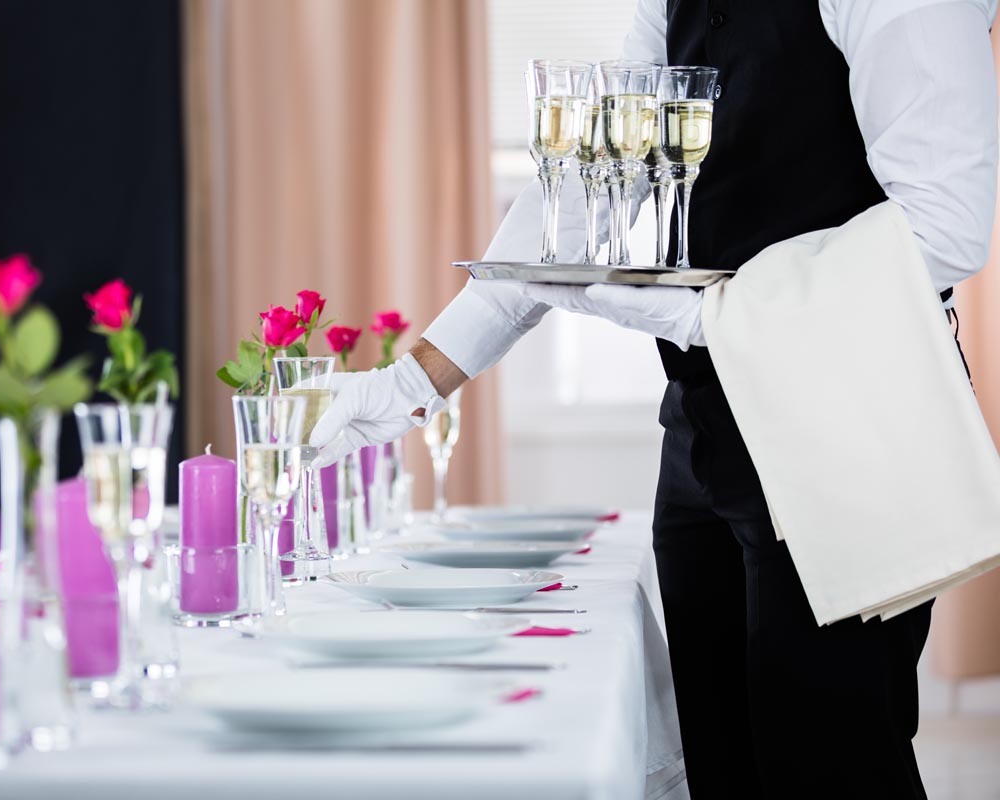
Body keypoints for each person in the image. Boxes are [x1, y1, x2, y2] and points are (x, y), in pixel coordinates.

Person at [310, 1, 998, 797]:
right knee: (720, 765)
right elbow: (588, 176)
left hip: (852, 420)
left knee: (829, 765)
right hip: (704, 421)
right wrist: (413, 382)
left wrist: (706, 316)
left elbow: (946, 227)